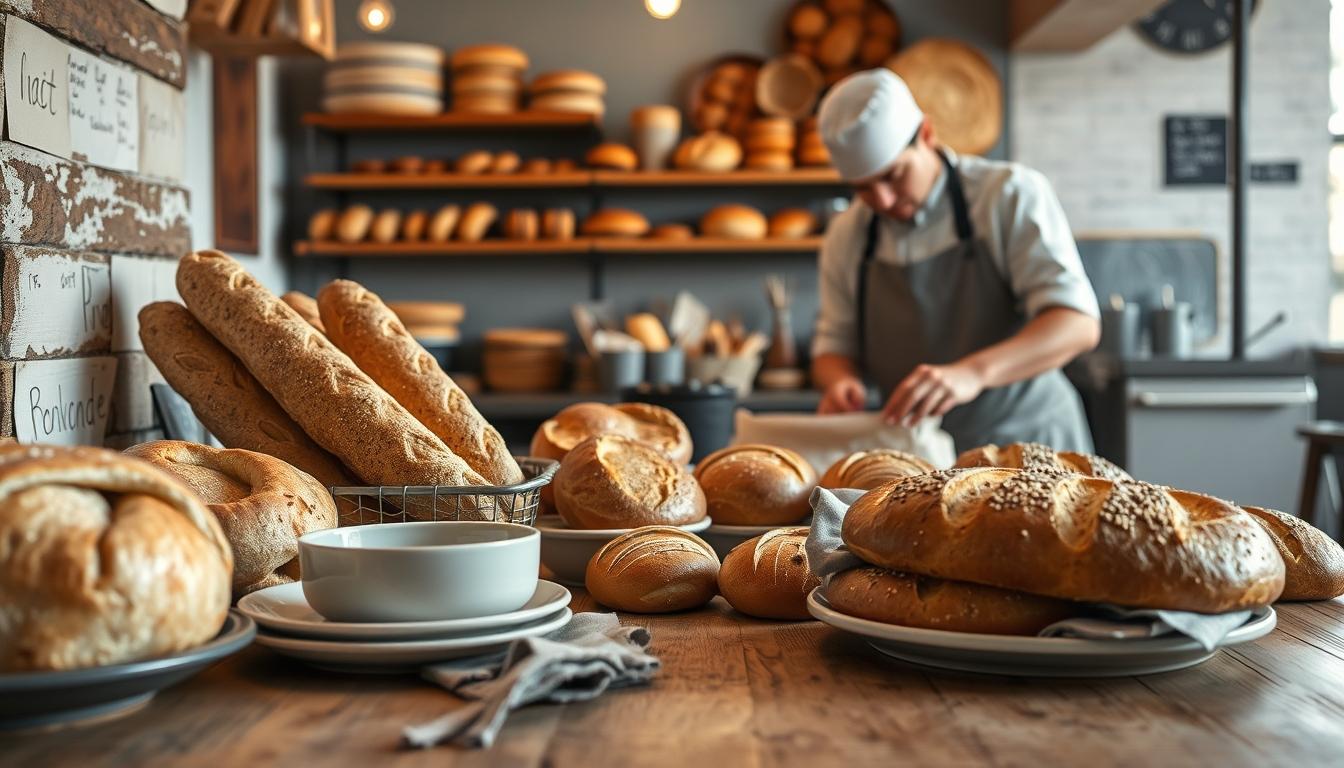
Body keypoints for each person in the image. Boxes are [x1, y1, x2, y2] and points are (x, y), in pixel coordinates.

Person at [810, 68, 1100, 452]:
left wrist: (973, 373)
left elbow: (1077, 324)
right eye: (863, 187)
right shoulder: (847, 235)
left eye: (894, 176)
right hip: (923, 455)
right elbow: (834, 345)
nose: (881, 200)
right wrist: (840, 382)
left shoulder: (1008, 195)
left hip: (1032, 442)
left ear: (927, 135)